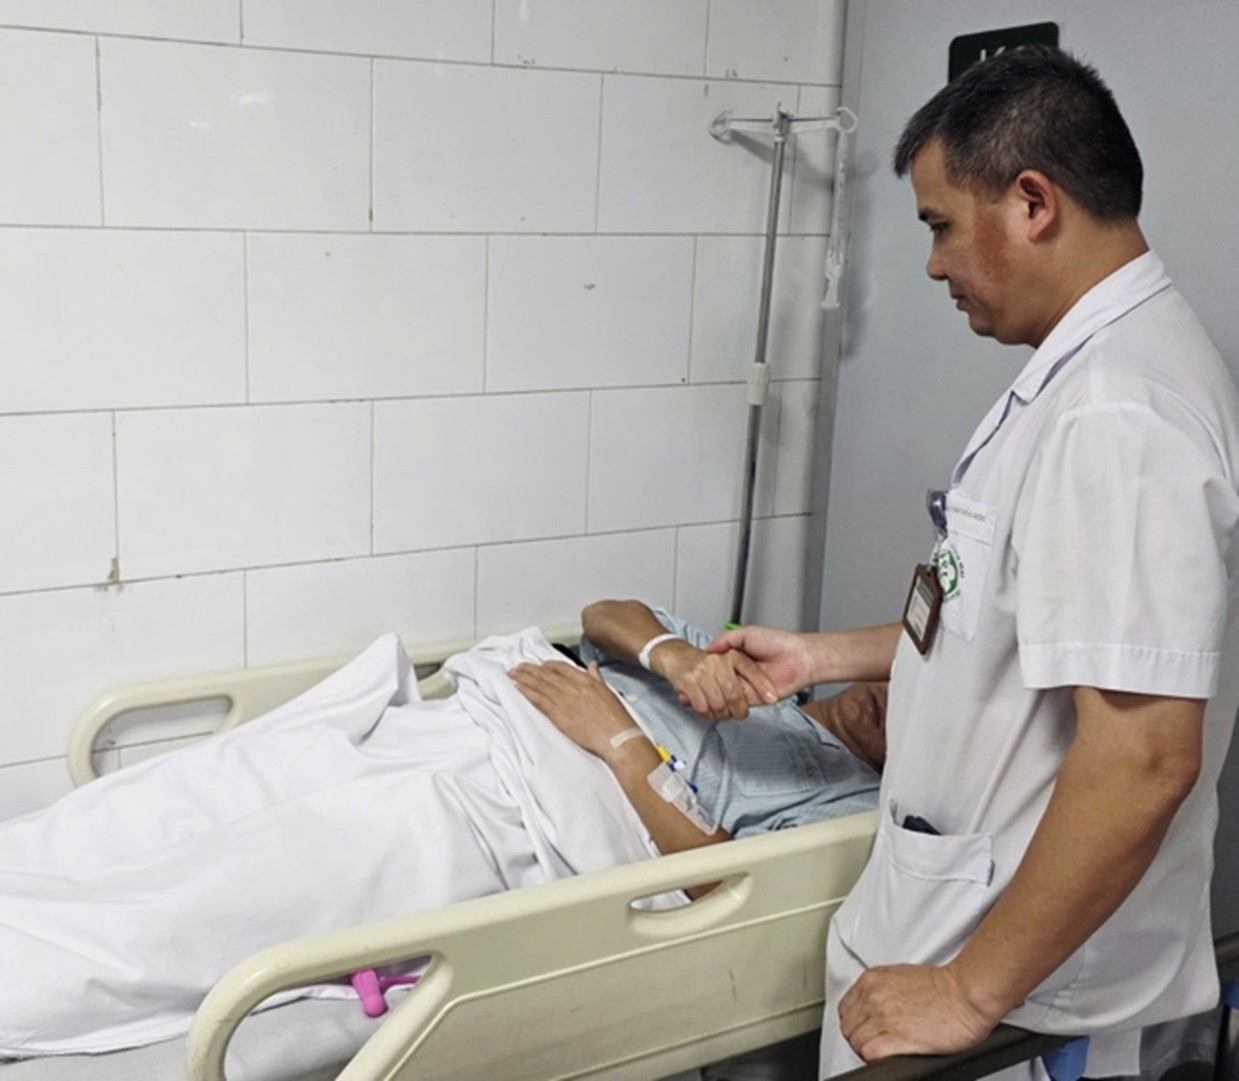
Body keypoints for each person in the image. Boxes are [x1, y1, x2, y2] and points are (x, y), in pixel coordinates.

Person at [708, 45, 1239, 1078]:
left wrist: (970, 990)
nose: (933, 264)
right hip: (960, 933)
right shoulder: (1083, 379)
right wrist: (818, 657)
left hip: (1017, 996)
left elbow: (1143, 756)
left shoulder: (1117, 417)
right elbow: (995, 616)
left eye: (940, 224)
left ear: (1032, 202)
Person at [0, 598, 880, 1060]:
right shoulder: (763, 670)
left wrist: (620, 743)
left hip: (510, 814)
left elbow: (723, 884)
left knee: (216, 893)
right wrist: (673, 656)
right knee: (176, 797)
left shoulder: (847, 805)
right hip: (459, 724)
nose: (893, 698)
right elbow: (607, 613)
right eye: (897, 672)